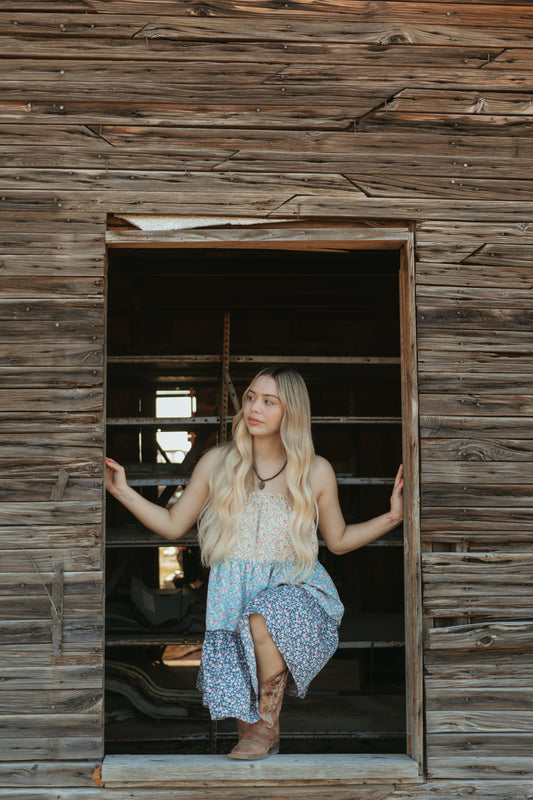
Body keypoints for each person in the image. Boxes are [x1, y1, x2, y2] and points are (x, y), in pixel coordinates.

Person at [106, 367, 404, 760]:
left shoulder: (315, 470)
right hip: (232, 589)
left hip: (295, 585)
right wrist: (123, 492)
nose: (254, 407)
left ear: (290, 413)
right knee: (241, 664)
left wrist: (392, 517)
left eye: (268, 401)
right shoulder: (218, 463)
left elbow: (339, 540)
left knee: (261, 617)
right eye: (250, 397)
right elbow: (173, 525)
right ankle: (258, 733)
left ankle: (267, 725)